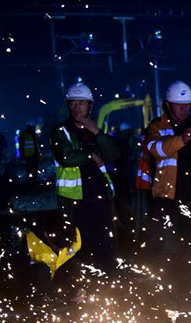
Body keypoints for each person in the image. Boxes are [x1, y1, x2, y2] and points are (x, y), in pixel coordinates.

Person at [141, 81, 191, 270]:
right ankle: (153, 282)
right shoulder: (157, 126)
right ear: (168, 105)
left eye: (186, 105)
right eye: (178, 104)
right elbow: (154, 148)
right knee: (155, 241)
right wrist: (182, 139)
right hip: (168, 195)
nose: (183, 109)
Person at [50, 82, 121, 273]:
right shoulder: (61, 131)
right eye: (73, 103)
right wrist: (90, 156)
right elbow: (66, 157)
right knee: (77, 244)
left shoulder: (95, 132)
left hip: (99, 196)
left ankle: (107, 280)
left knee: (104, 242)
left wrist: (96, 132)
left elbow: (115, 154)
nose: (76, 107)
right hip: (75, 200)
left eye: (81, 103)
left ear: (90, 105)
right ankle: (78, 286)